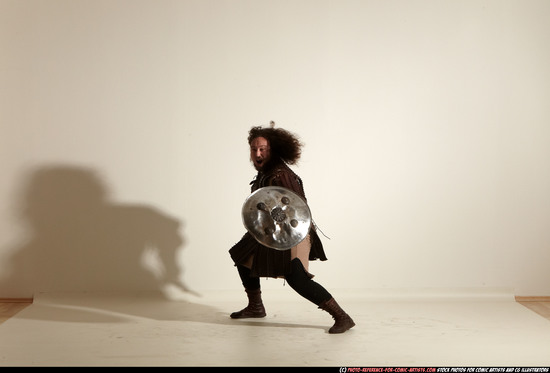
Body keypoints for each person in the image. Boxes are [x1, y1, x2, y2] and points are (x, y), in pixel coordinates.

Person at [229, 123, 355, 334]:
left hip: (293, 233)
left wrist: (285, 232)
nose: (258, 153)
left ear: (273, 150)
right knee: (242, 257)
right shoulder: (266, 172)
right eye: (254, 149)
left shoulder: (280, 174)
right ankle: (255, 307)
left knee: (297, 278)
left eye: (263, 149)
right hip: (272, 230)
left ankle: (342, 316)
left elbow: (295, 210)